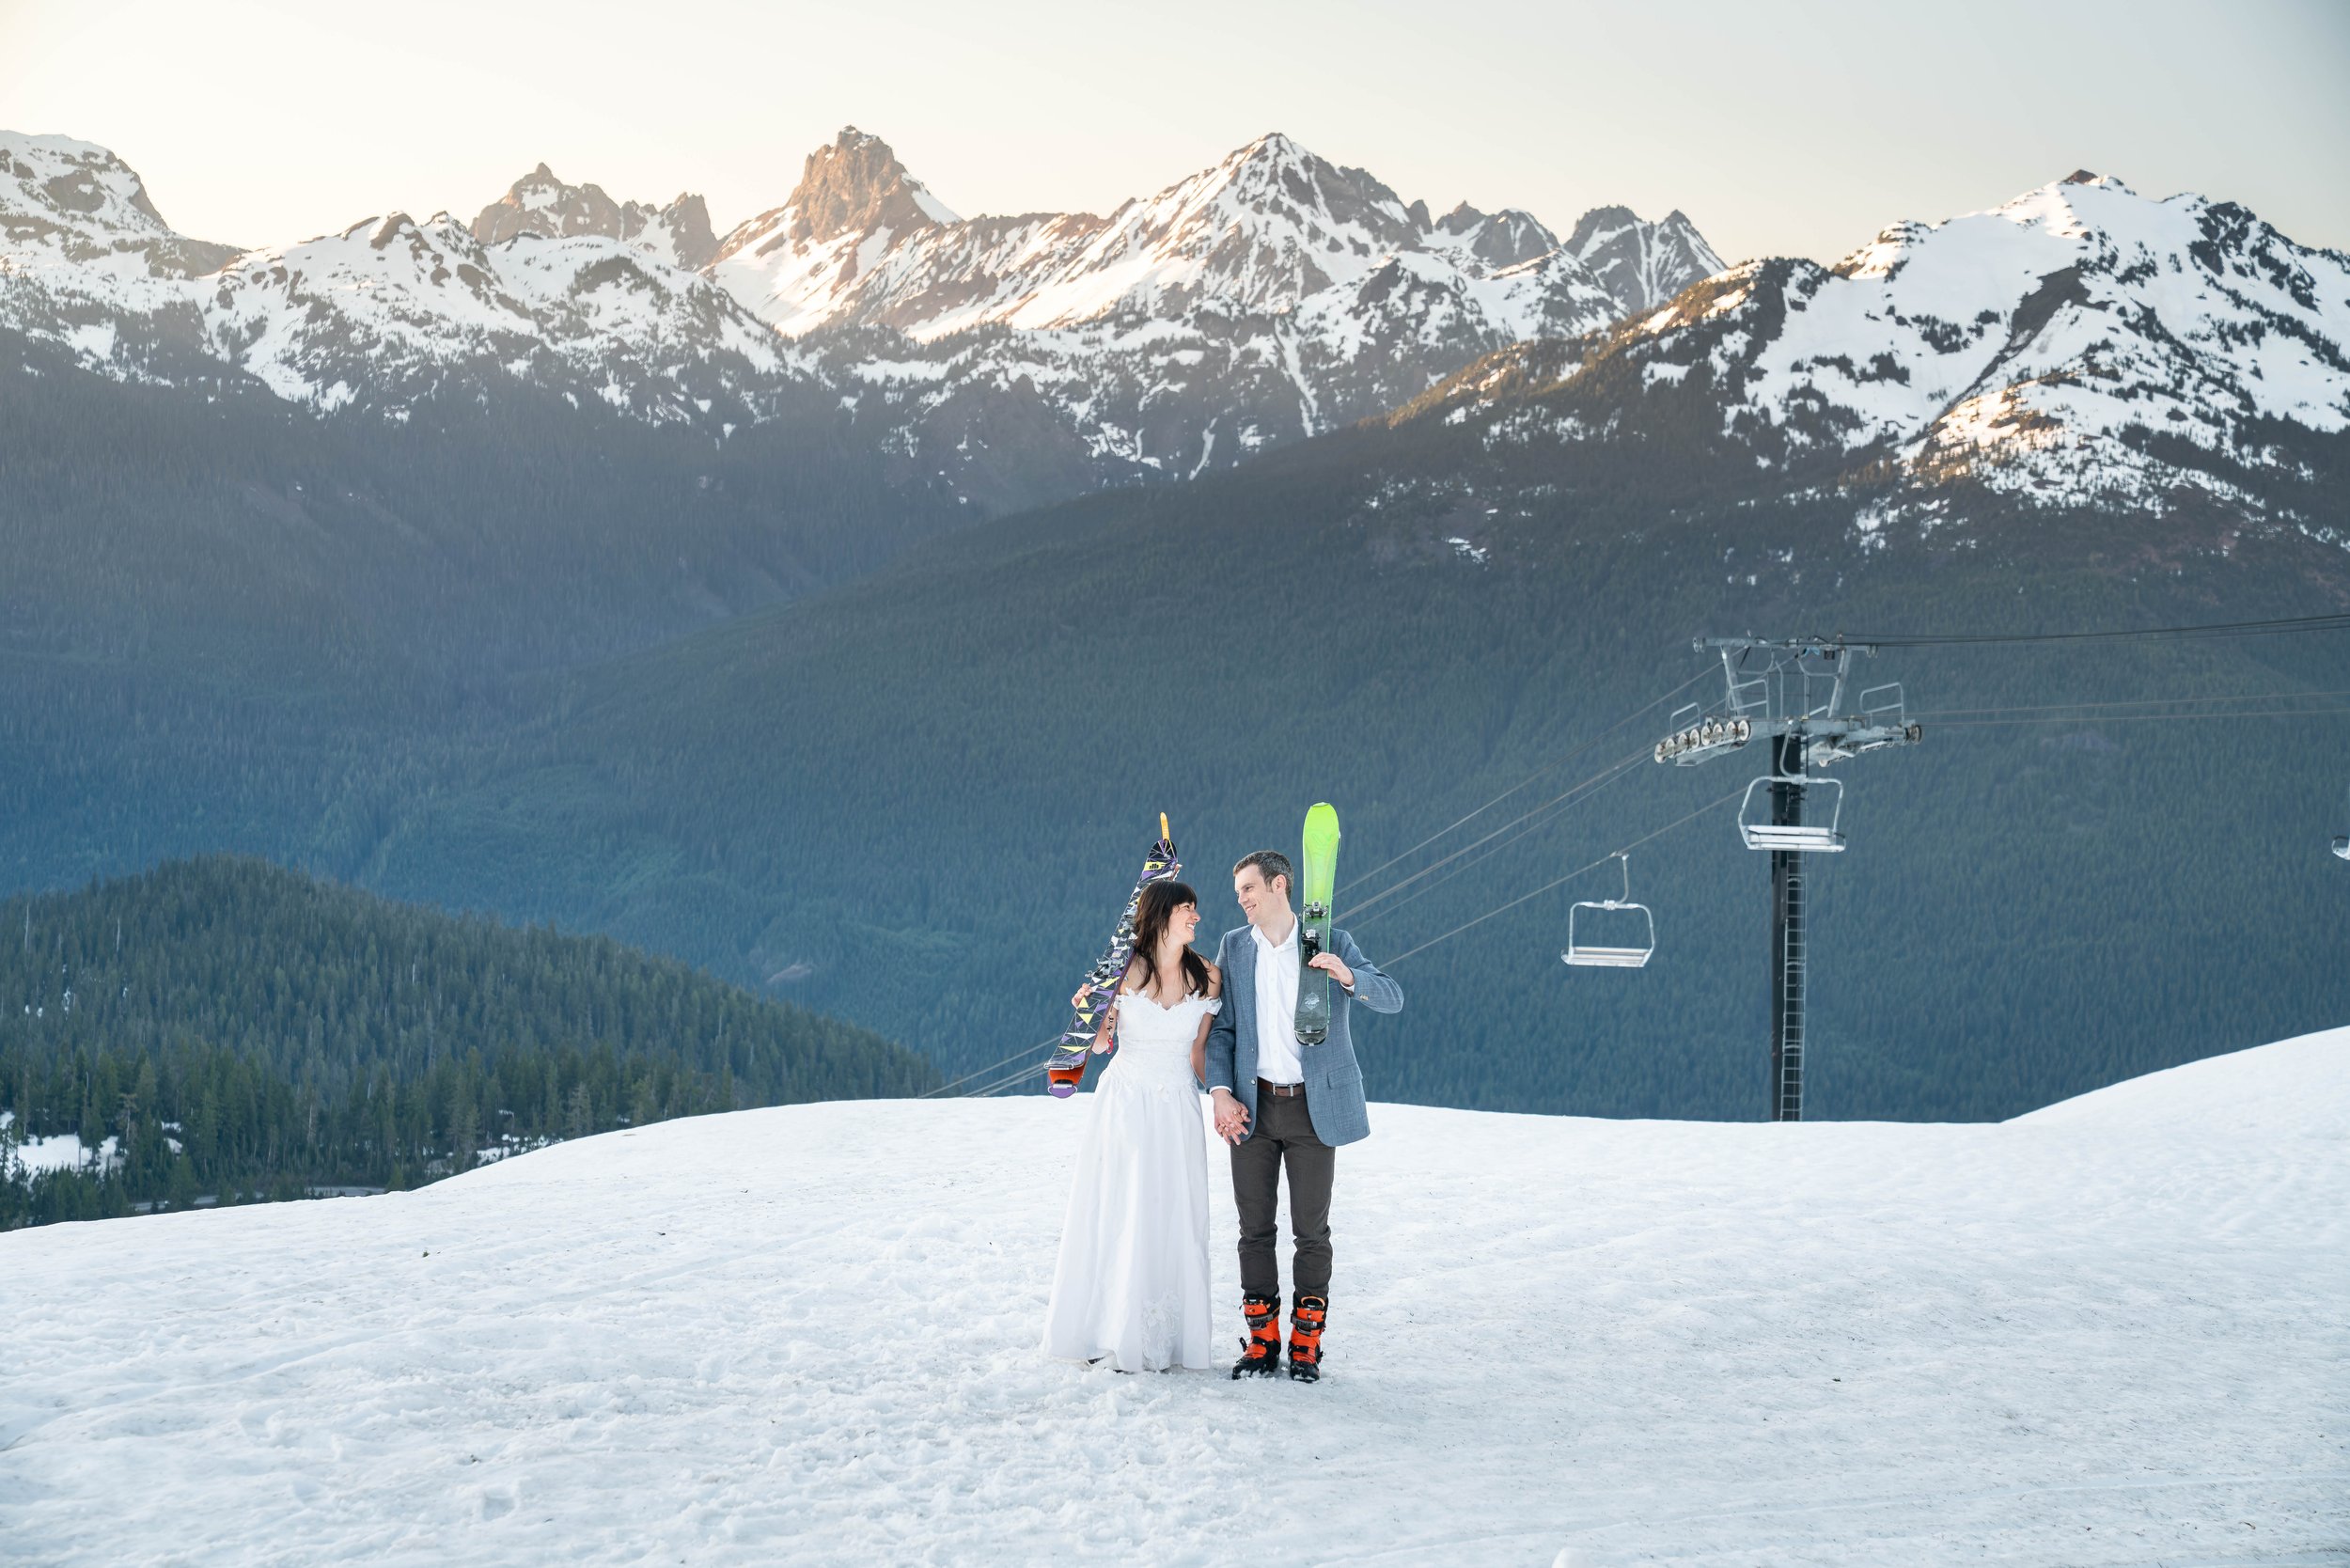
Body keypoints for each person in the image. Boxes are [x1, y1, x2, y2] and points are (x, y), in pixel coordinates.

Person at [1203, 850, 1402, 1383]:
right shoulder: (1234, 947)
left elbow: (1392, 996)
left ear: (1280, 885)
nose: (1241, 900)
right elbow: (1222, 1032)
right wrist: (1220, 1092)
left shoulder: (1331, 940)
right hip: (1253, 1108)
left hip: (1316, 1109)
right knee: (1253, 1230)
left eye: (1248, 888)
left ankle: (1306, 1344)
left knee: (1311, 1232)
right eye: (1238, 891)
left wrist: (1347, 976)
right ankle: (1262, 1340)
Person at [1042, 880, 1224, 1372]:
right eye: (1189, 910)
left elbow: (1199, 1051)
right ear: (1163, 914)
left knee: (1175, 1212)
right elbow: (1101, 1045)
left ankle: (1169, 1338)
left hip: (1177, 1107)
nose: (1196, 919)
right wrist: (1089, 1010)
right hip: (1125, 1103)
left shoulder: (1207, 976)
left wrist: (1226, 1100)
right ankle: (1110, 1328)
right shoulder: (1123, 972)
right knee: (1123, 1207)